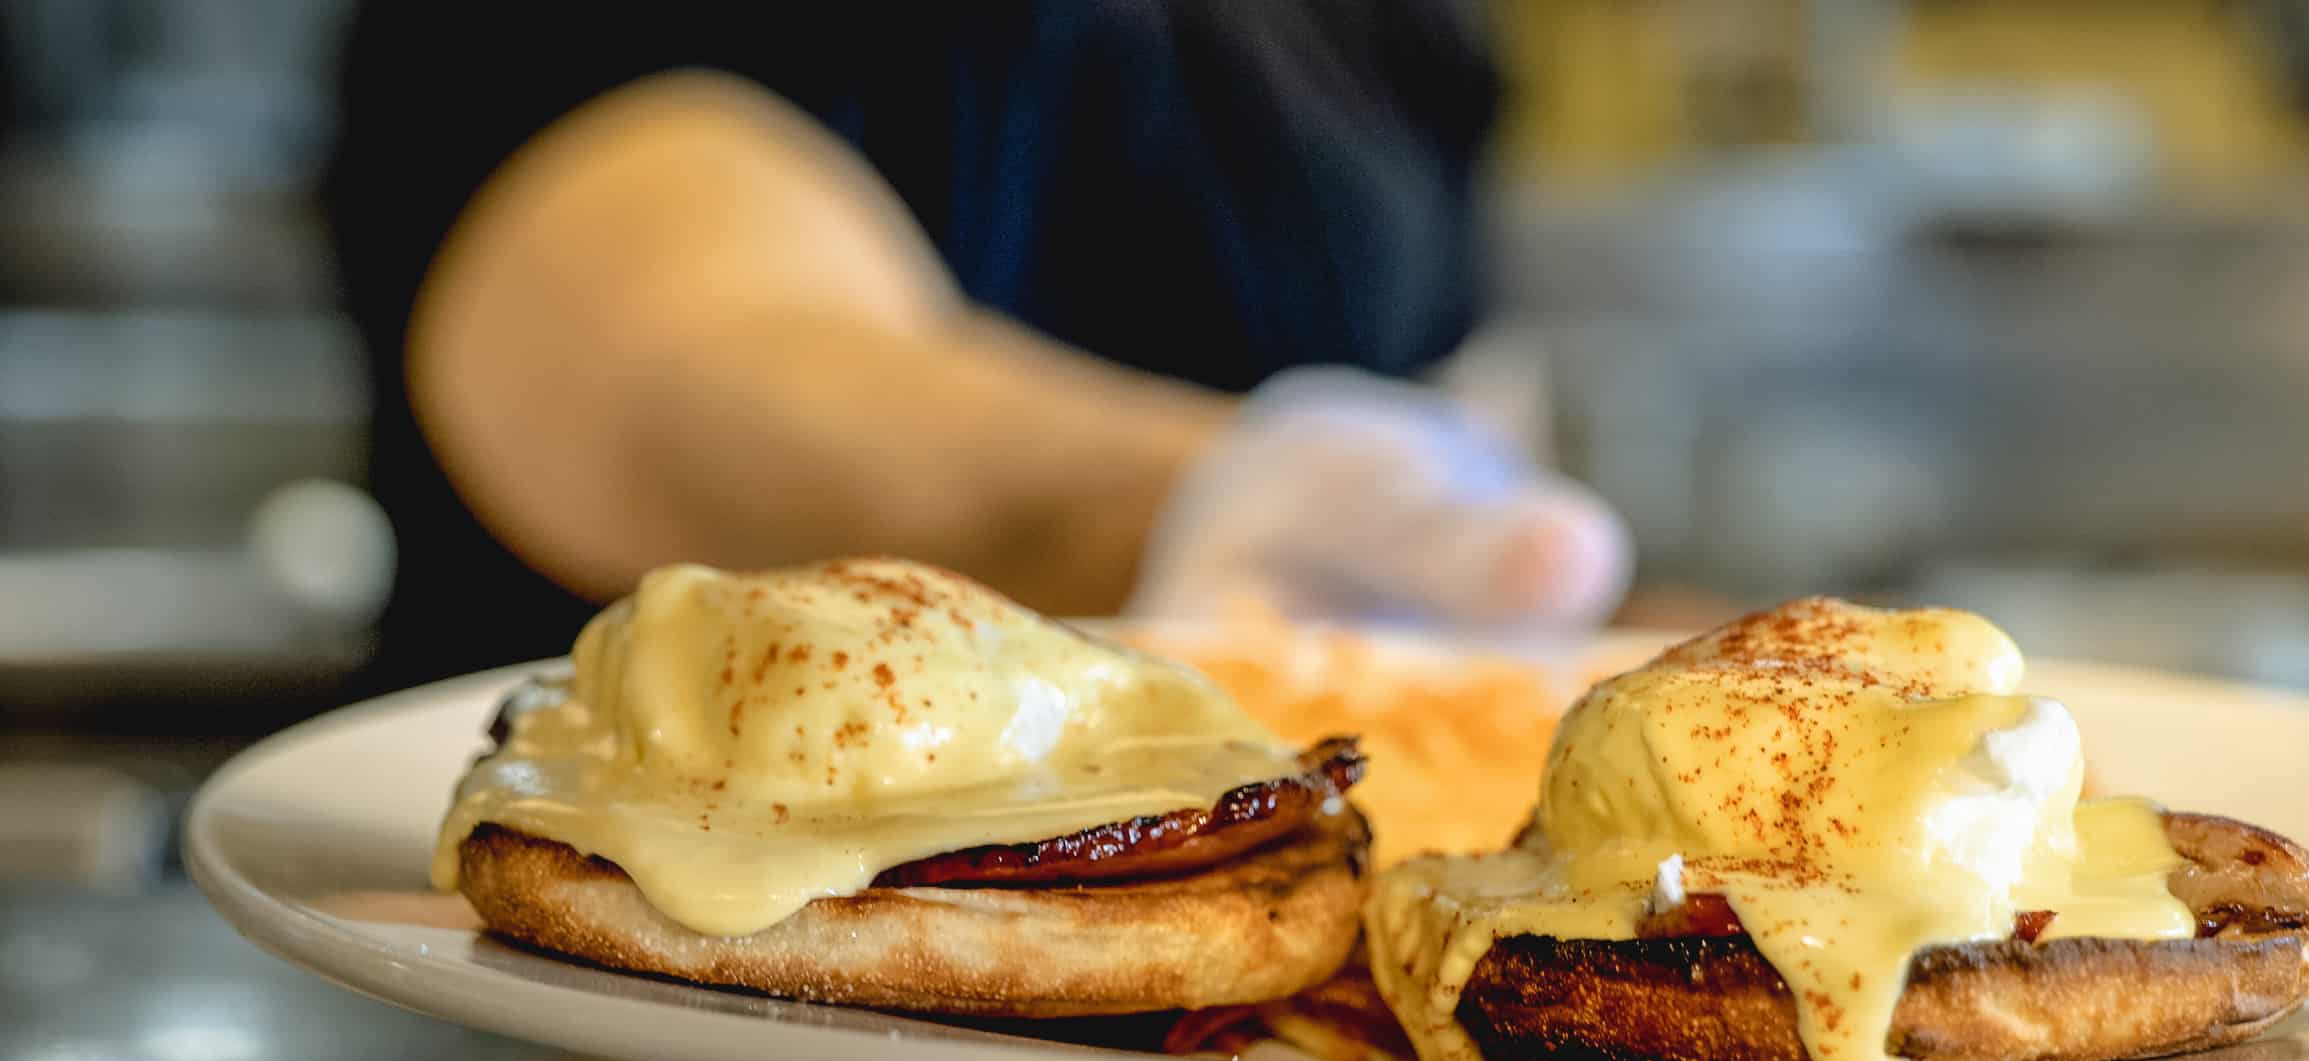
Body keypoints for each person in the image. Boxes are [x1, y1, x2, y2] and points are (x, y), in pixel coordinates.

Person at [325, 2, 1632, 688]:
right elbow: (666, 354)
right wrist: (1188, 499)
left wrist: (1484, 566)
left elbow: (1467, 427)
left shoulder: (1381, 29)